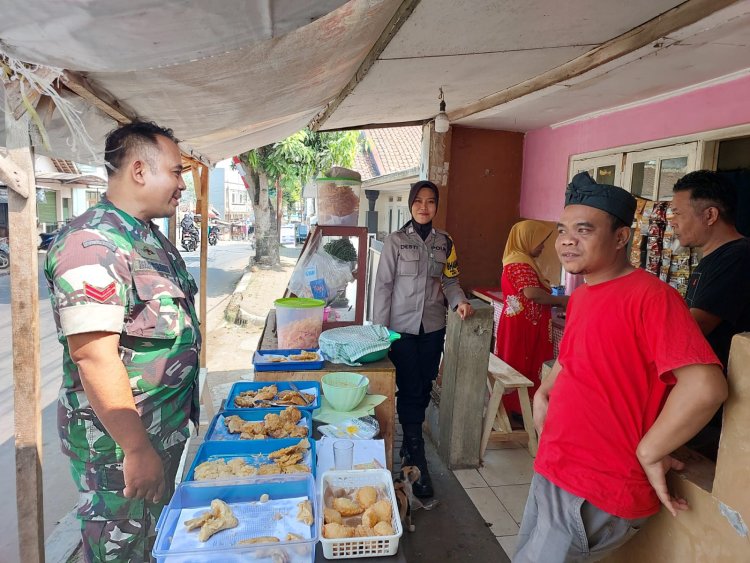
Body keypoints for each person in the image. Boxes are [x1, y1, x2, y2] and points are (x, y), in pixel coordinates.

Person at [514, 172, 727, 563]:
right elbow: (576, 356)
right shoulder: (583, 295)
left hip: (597, 480)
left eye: (583, 229)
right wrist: (547, 389)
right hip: (556, 463)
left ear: (620, 238)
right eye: (562, 230)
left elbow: (706, 387)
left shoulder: (652, 298)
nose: (566, 240)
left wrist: (651, 449)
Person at [45, 121, 200, 562]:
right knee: (123, 550)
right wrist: (136, 449)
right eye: (175, 172)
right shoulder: (92, 244)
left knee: (156, 543)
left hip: (160, 434)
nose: (182, 184)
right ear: (138, 170)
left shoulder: (146, 237)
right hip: (120, 449)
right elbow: (94, 356)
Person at [373, 180, 474, 498]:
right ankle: (417, 456)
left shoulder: (445, 242)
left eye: (431, 201)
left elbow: (451, 280)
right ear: (410, 204)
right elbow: (383, 287)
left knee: (423, 386)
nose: (424, 207)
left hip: (432, 329)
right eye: (419, 201)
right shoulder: (395, 241)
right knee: (411, 386)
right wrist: (379, 332)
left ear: (436, 206)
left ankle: (409, 451)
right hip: (400, 330)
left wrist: (460, 302)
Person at [670, 170, 750, 458]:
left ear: (710, 215)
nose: (672, 222)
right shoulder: (712, 258)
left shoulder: (738, 257)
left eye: (678, 212)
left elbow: (695, 326)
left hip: (723, 397)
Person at [494, 220, 568, 417]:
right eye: (540, 241)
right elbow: (531, 293)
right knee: (521, 365)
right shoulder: (519, 263)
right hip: (524, 327)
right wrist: (561, 300)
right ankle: (520, 411)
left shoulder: (519, 260)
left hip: (522, 323)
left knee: (518, 363)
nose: (543, 246)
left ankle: (517, 410)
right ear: (527, 239)